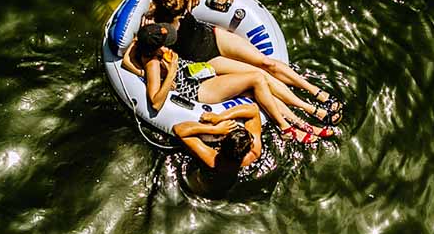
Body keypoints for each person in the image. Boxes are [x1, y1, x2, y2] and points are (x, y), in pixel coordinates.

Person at [144, 0, 343, 125]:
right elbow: (142, 52)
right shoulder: (158, 28)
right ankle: (308, 109)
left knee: (267, 63)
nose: (186, 12)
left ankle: (315, 92)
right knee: (258, 75)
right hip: (207, 58)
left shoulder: (176, 0)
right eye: (180, 16)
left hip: (214, 36)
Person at [122, 21, 332, 144]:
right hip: (198, 89)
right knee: (257, 78)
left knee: (254, 92)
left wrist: (141, 41)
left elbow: (125, 62)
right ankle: (287, 127)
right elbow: (155, 101)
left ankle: (300, 122)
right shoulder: (152, 64)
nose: (169, 46)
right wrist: (171, 73)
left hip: (198, 74)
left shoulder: (147, 51)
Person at [174, 103, 262, 195]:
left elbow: (178, 130)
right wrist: (219, 117)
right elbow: (254, 110)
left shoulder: (212, 159)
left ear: (221, 143)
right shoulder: (254, 152)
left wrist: (216, 129)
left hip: (203, 186)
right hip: (230, 184)